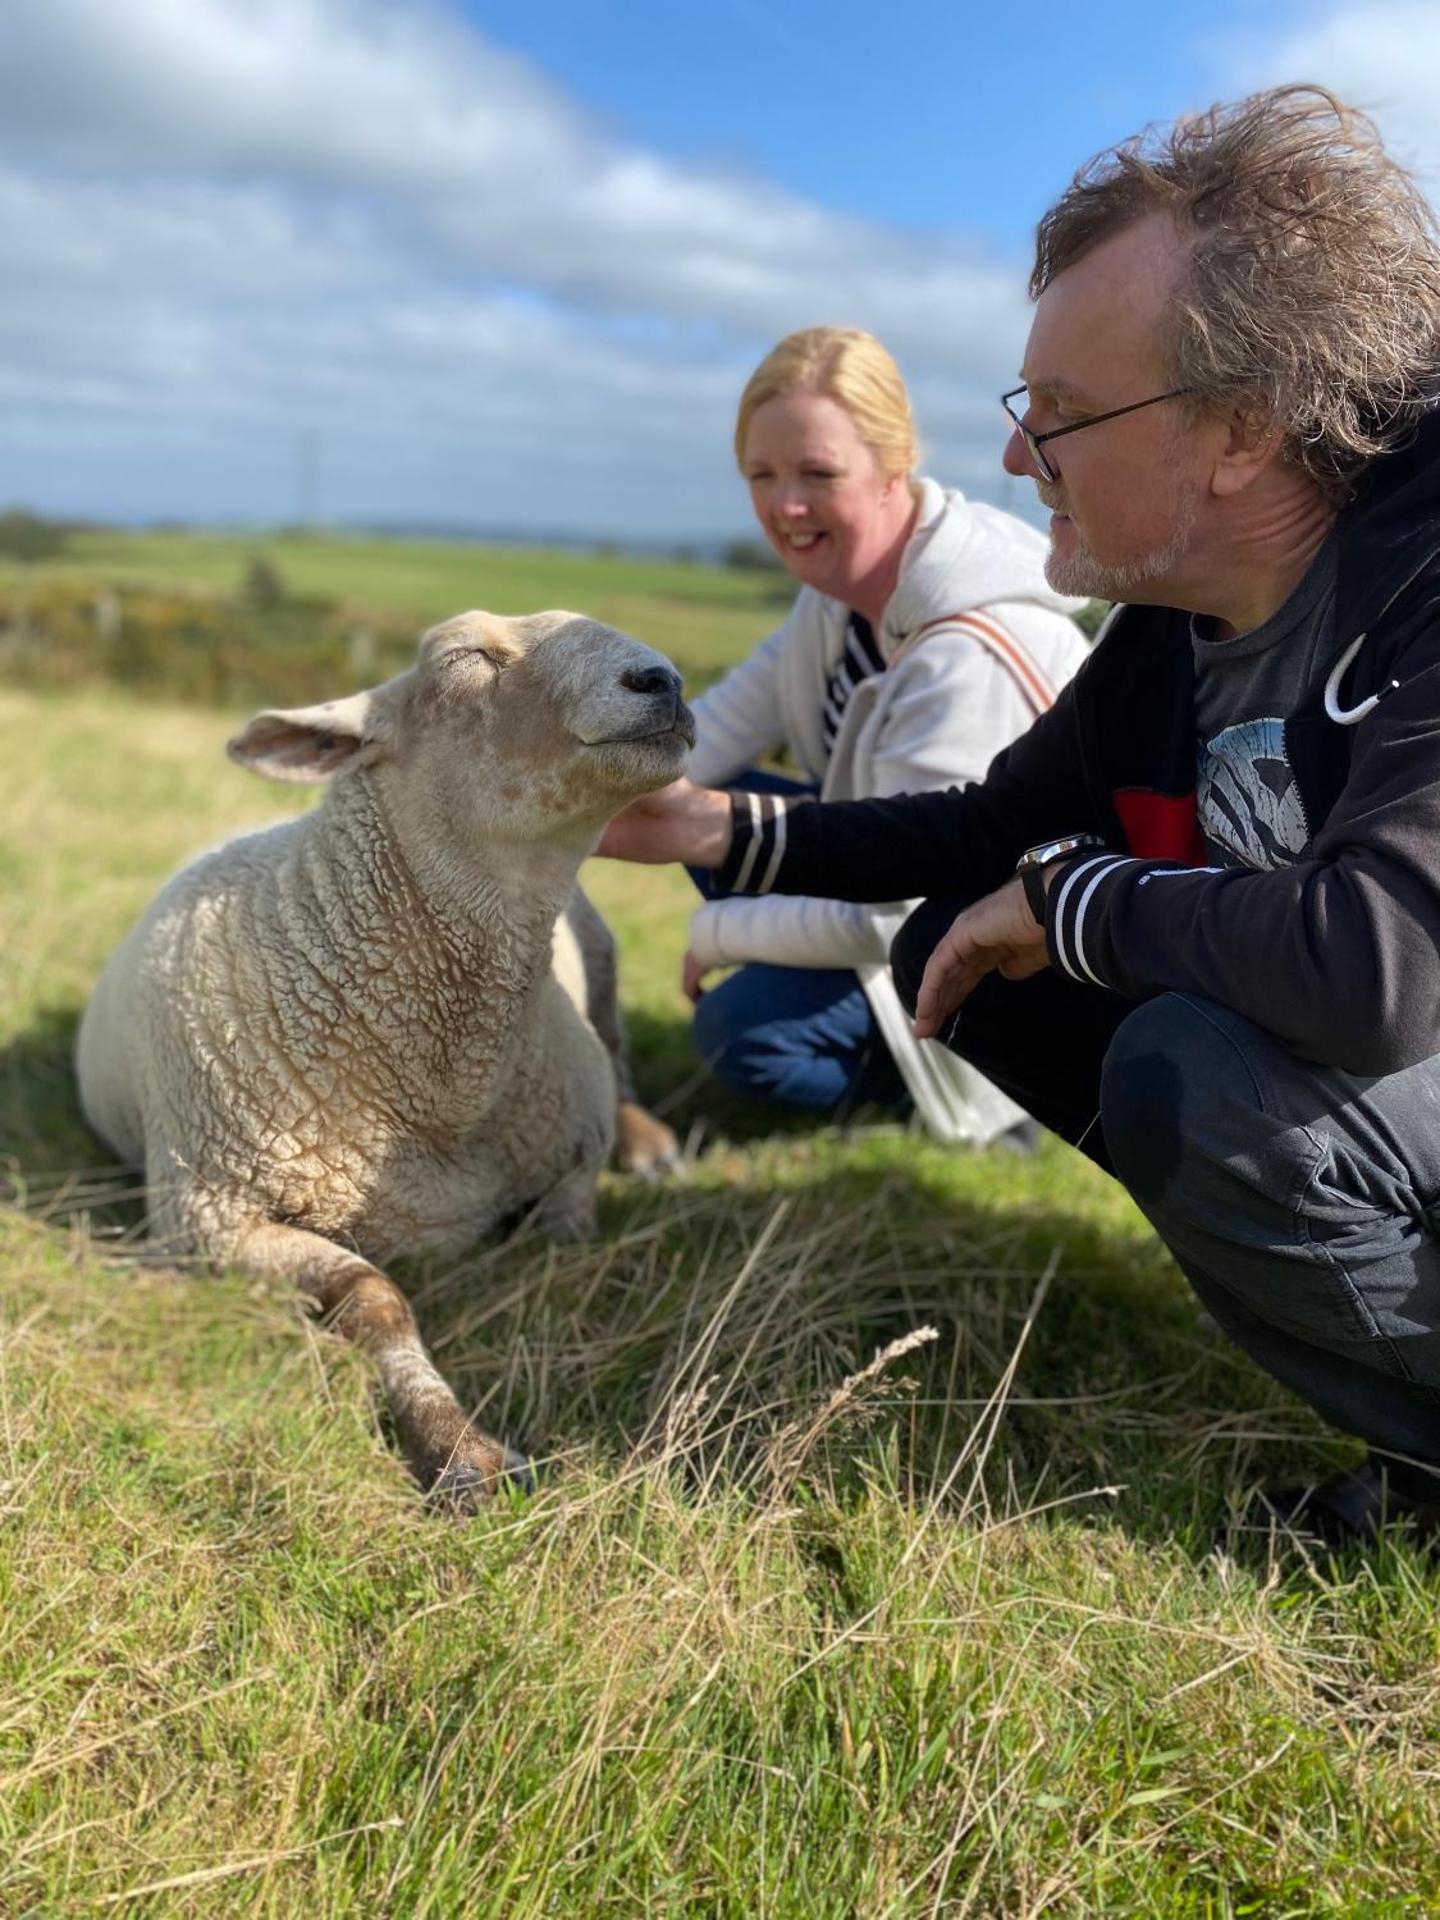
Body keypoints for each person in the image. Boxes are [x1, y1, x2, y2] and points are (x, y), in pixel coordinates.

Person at [602, 87, 1440, 1546]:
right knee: (966, 952)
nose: (1010, 461)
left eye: (1058, 419)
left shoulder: (1424, 600)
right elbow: (974, 831)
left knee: (1183, 1059)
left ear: (1237, 431)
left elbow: (1376, 970)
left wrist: (1078, 906)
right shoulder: (1174, 638)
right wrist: (712, 835)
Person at [684, 326, 1088, 1143]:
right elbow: (713, 733)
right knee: (707, 821)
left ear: (892, 467)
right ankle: (826, 996)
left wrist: (716, 931)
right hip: (897, 885)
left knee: (740, 1034)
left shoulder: (965, 652)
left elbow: (895, 904)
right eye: (761, 475)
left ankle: (999, 1104)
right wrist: (568, 803)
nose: (784, 506)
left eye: (817, 474)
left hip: (1007, 949)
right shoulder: (834, 595)